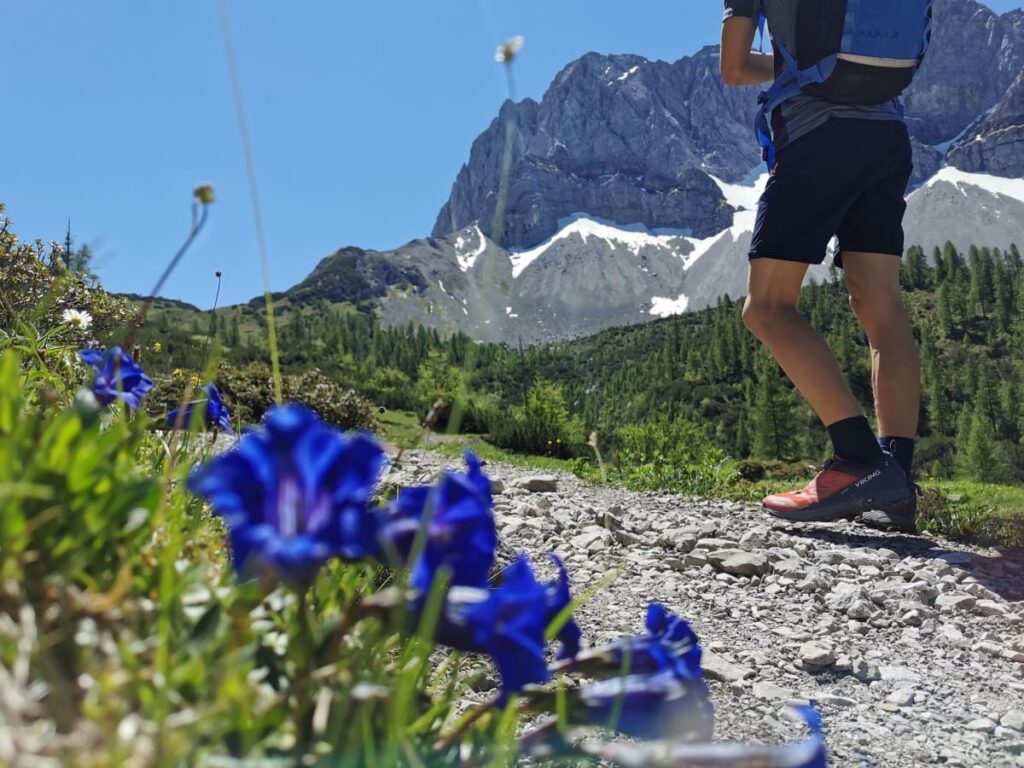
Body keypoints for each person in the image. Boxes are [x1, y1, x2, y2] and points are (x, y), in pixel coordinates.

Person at [720, 0, 920, 532]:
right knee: (881, 307)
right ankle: (896, 481)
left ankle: (857, 458)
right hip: (889, 135)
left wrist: (789, 66)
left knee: (766, 308)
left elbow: (735, 67)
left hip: (816, 135)